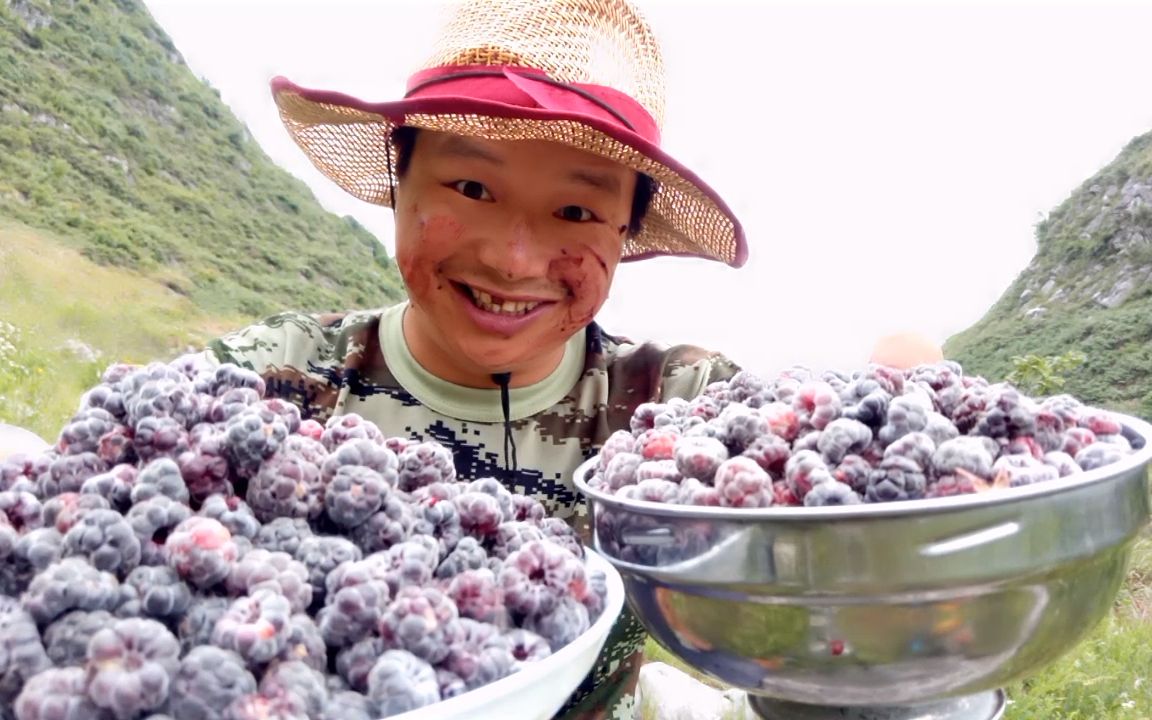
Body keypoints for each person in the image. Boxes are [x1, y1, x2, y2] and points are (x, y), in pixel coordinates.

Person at [203, 1, 939, 716]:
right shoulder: (267, 383)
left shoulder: (676, 413)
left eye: (578, 211)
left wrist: (909, 498)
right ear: (400, 180)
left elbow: (821, 622)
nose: (514, 259)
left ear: (627, 231)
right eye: (471, 186)